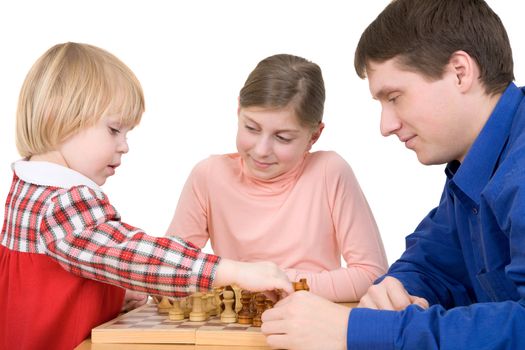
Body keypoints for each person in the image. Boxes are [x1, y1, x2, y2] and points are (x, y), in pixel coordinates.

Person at [261, 0, 525, 349]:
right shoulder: (474, 167)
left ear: (460, 72)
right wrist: (395, 291)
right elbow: (433, 261)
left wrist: (357, 332)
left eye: (395, 97)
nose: (386, 126)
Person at [0, 42, 294, 350]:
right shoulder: (62, 202)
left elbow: (52, 281)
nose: (124, 145)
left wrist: (109, 295)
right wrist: (230, 271)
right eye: (114, 130)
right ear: (58, 118)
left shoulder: (29, 190)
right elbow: (129, 254)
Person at [166, 53, 388, 302]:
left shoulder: (329, 172)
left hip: (310, 326)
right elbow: (169, 270)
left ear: (314, 136)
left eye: (282, 137)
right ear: (238, 110)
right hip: (232, 330)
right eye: (251, 128)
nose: (261, 150)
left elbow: (372, 275)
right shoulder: (208, 176)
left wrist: (278, 283)